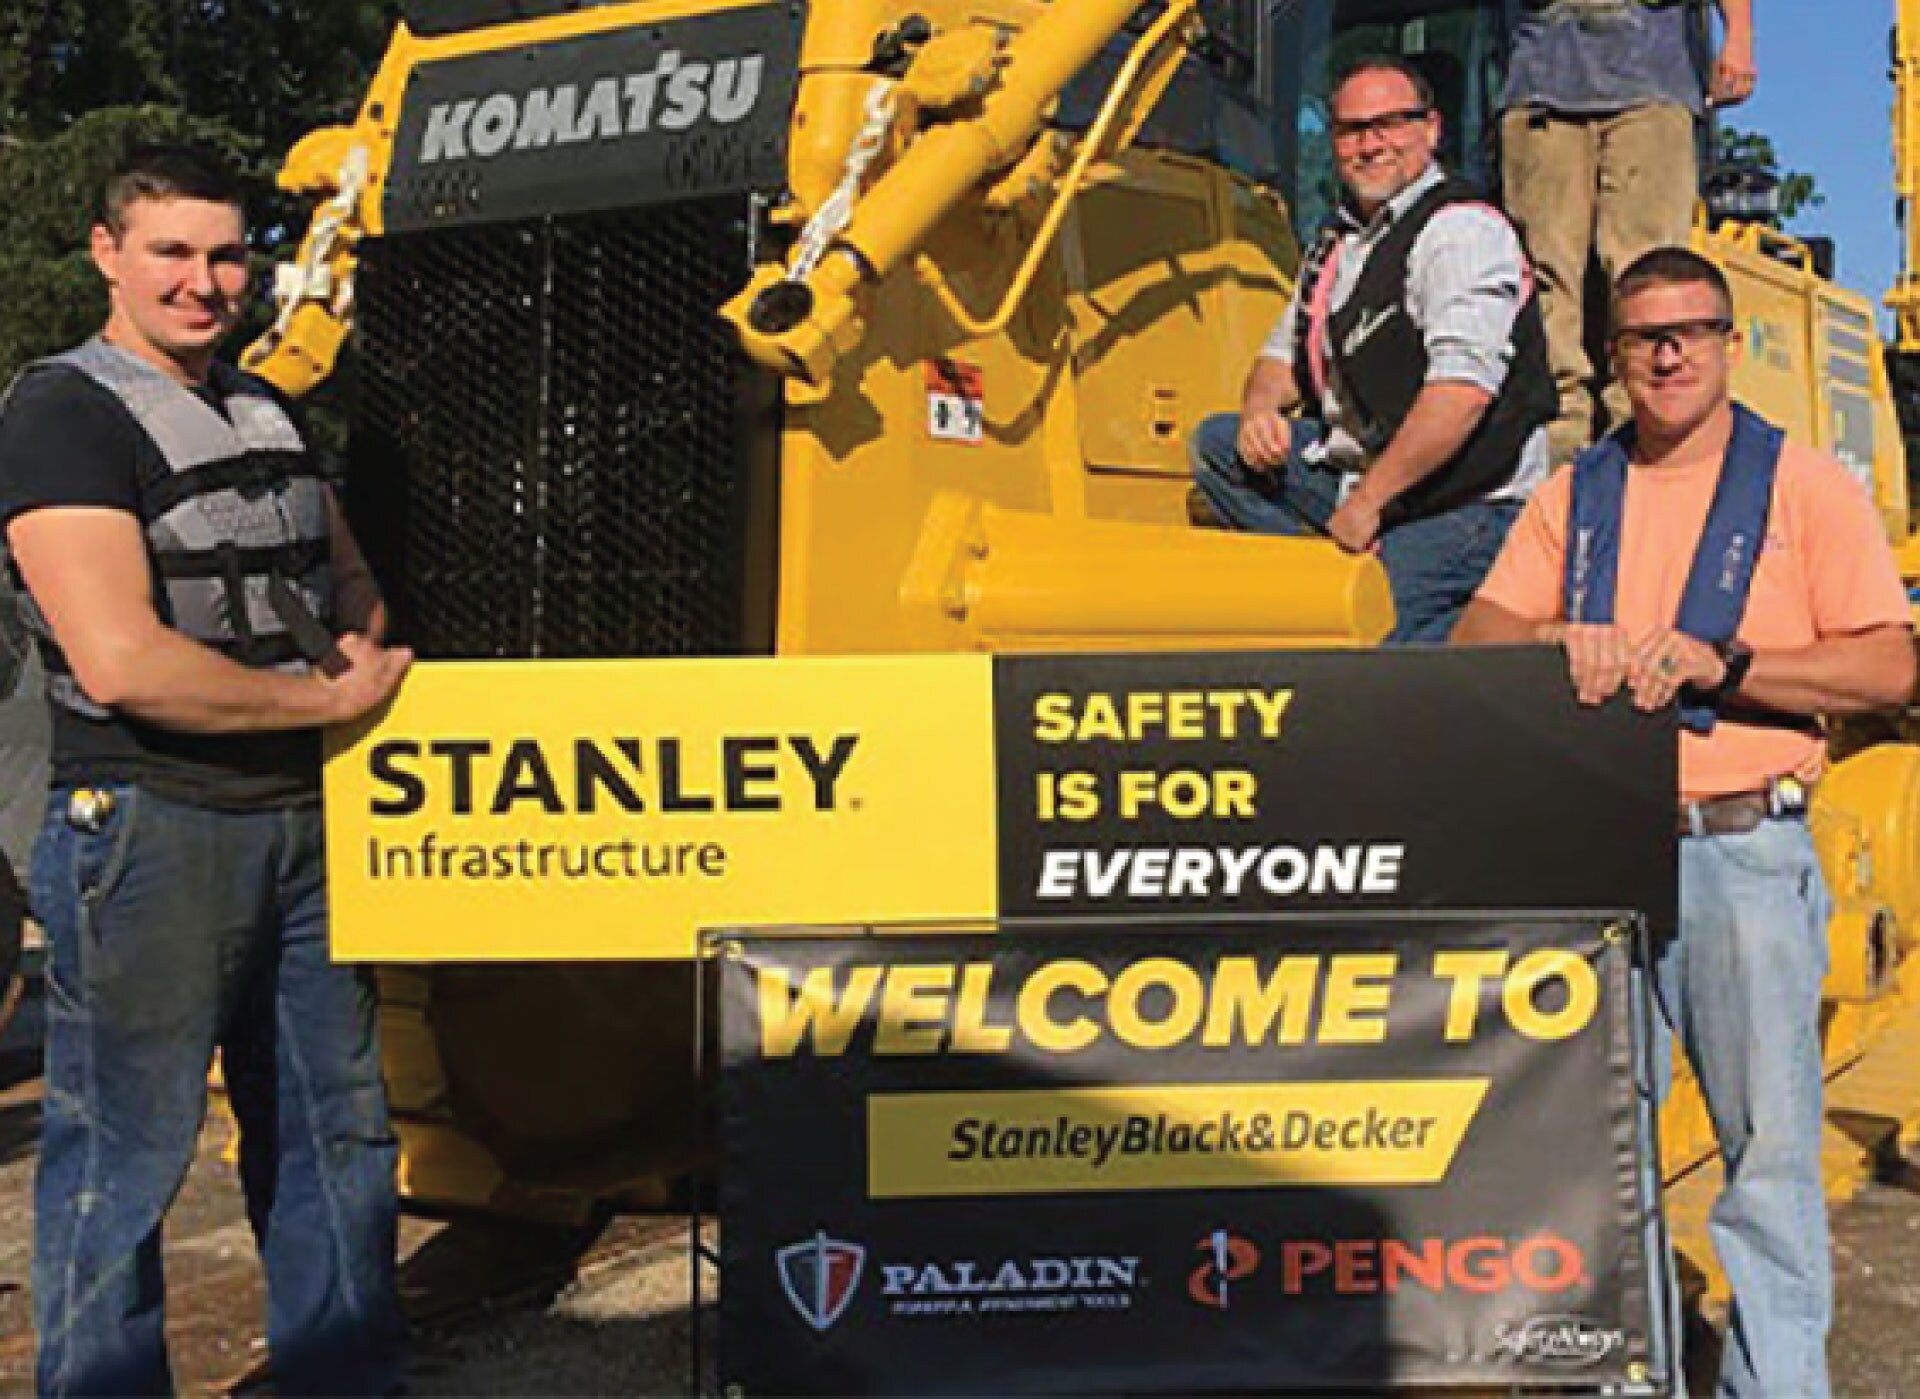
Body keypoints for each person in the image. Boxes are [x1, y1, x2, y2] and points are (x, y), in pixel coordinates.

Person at [1453, 247, 1916, 1398]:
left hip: (1741, 853)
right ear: (1613, 362)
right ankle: (1627, 1373)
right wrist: (1557, 641)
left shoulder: (1805, 486)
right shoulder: (1576, 496)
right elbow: (1475, 644)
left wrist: (1732, 662)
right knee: (1594, 1164)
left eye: (1689, 332)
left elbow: (1887, 666)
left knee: (1765, 1159)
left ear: (1725, 342)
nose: (1667, 354)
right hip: (1596, 857)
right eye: (1642, 338)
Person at [0, 145, 414, 1396]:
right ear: (107, 254)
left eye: (227, 253)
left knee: (340, 1137)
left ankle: (343, 1378)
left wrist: (359, 636)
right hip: (146, 824)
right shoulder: (62, 410)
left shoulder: (266, 407)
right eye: (171, 252)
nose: (203, 280)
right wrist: (326, 697)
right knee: (123, 1158)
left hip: (302, 822)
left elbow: (343, 576)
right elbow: (122, 660)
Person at [1190, 56, 1558, 644]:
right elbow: (1278, 360)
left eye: (1390, 123)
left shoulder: (1459, 232)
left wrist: (1368, 502)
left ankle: (1476, 628)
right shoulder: (1342, 243)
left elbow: (1460, 395)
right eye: (1352, 130)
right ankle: (1338, 572)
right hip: (1373, 475)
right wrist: (1260, 411)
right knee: (1218, 446)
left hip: (1467, 501)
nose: (1370, 144)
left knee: (1361, 636)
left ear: (1431, 129)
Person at [1501, 0, 1756, 464]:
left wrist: (1738, 37)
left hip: (1651, 80)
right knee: (1546, 265)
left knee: (1645, 267)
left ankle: (1638, 415)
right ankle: (1561, 419)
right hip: (1542, 76)